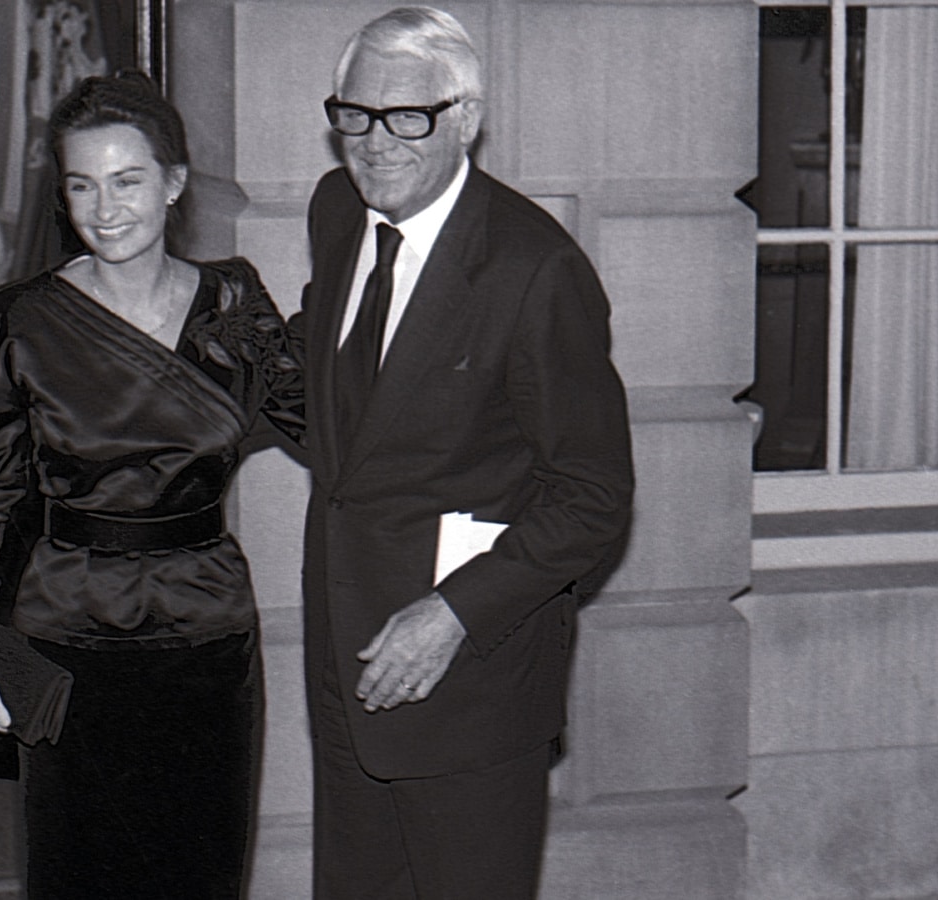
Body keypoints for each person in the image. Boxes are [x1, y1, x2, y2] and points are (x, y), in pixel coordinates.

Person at [296, 7, 635, 898]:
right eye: (354, 115)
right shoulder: (338, 214)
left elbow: (592, 495)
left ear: (467, 120)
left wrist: (451, 613)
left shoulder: (536, 270)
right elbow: (342, 407)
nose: (375, 144)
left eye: (408, 117)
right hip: (345, 666)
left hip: (470, 683)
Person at [0, 71, 302, 900]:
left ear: (174, 184)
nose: (105, 209)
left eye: (128, 181)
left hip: (206, 630)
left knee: (202, 870)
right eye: (81, 185)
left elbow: (331, 418)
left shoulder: (233, 302)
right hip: (69, 628)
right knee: (76, 873)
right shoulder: (21, 316)